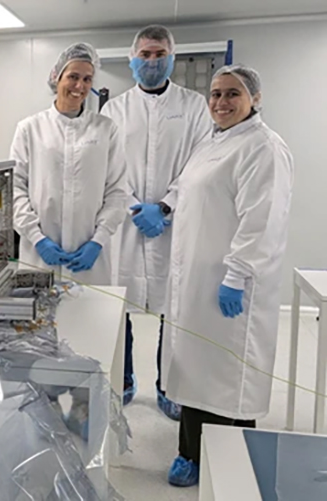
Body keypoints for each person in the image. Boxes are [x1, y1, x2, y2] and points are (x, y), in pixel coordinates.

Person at [162, 65, 293, 487]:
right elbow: (187, 190)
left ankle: (225, 459)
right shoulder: (213, 141)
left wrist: (236, 275)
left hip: (229, 283)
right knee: (197, 368)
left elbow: (262, 220)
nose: (221, 102)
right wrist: (163, 207)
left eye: (232, 94)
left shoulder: (263, 147)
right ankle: (192, 452)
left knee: (226, 375)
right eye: (216, 94)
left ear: (255, 98)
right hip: (196, 280)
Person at [10, 42, 129, 436]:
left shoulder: (106, 130)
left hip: (89, 259)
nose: (79, 85)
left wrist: (99, 239)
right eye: (73, 76)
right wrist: (37, 237)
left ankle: (82, 412)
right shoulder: (30, 128)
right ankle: (42, 412)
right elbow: (15, 189)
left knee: (87, 340)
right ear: (56, 78)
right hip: (38, 257)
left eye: (87, 79)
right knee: (40, 339)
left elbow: (117, 192)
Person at [100, 25, 213, 419]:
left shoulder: (195, 106)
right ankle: (124, 379)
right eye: (145, 54)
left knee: (174, 308)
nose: (152, 61)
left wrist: (165, 206)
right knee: (120, 305)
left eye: (160, 54)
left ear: (172, 58)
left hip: (175, 222)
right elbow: (109, 169)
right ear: (132, 59)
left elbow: (201, 164)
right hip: (127, 222)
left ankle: (169, 386)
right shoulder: (114, 110)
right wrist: (135, 207)